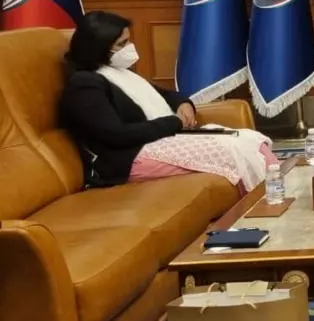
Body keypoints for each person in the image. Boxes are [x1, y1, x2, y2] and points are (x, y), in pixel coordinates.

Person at [59, 11, 275, 192]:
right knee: (232, 151)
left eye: (129, 41)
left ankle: (278, 201)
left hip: (159, 142)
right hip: (128, 160)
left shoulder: (119, 72)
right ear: (99, 48)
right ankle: (263, 208)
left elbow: (164, 94)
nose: (130, 48)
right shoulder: (84, 85)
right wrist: (174, 123)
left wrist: (184, 104)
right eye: (122, 44)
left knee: (249, 140)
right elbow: (117, 135)